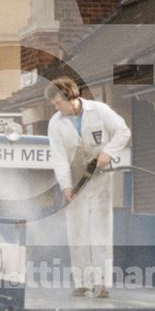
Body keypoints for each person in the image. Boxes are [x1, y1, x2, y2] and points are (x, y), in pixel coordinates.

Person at [46, 77, 131, 298]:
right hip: (75, 181)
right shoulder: (55, 123)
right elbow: (59, 158)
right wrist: (65, 187)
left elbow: (123, 131)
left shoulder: (99, 110)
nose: (56, 108)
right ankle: (82, 282)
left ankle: (101, 283)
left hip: (99, 177)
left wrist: (107, 153)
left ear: (68, 96)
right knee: (77, 231)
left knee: (101, 230)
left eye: (57, 103)